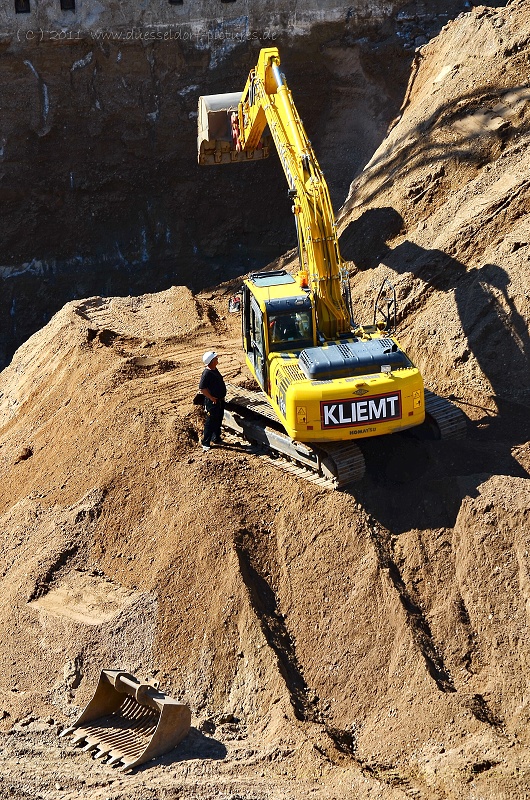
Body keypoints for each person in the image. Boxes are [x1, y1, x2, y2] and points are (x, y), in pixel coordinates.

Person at [199, 351, 226, 452]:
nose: (217, 359)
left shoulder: (214, 369)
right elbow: (202, 388)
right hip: (213, 402)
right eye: (215, 358)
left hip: (220, 401)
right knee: (210, 422)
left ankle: (216, 437)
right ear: (211, 361)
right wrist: (211, 397)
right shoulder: (207, 373)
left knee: (218, 419)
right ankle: (206, 442)